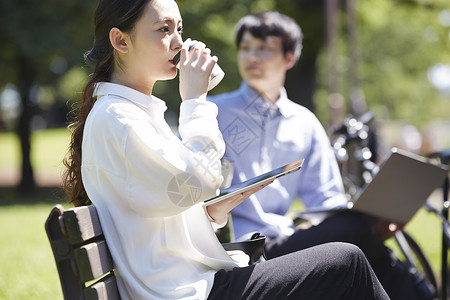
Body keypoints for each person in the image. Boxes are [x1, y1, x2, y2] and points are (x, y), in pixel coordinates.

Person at [63, 1, 389, 299]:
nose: (178, 42)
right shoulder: (120, 118)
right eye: (163, 30)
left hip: (194, 282)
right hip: (188, 292)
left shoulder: (133, 113)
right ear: (121, 41)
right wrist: (194, 100)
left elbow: (168, 202)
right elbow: (201, 180)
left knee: (345, 257)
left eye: (179, 29)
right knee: (346, 261)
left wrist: (210, 213)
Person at [208, 11, 432, 300]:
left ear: (289, 58)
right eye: (246, 47)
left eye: (264, 48)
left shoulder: (305, 123)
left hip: (285, 240)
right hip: (241, 247)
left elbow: (326, 200)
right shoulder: (212, 111)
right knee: (357, 233)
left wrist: (371, 217)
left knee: (359, 231)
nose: (252, 56)